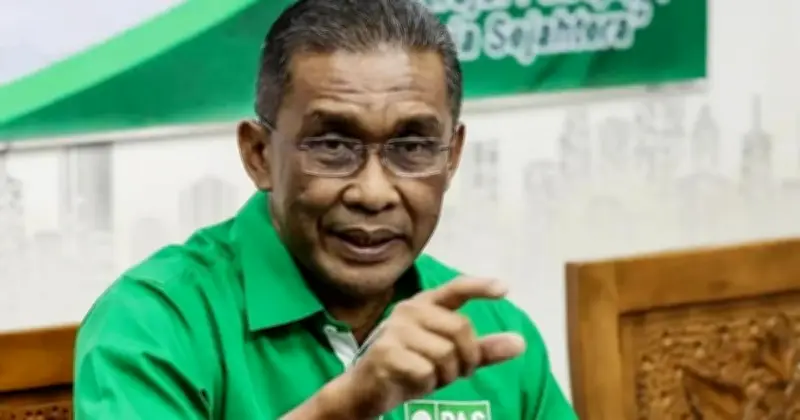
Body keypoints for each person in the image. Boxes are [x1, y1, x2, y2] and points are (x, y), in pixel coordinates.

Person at [73, 0, 577, 418]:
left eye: (412, 147)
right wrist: (347, 406)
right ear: (260, 155)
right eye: (333, 145)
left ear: (453, 157)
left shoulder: (487, 330)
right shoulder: (156, 322)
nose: (373, 192)